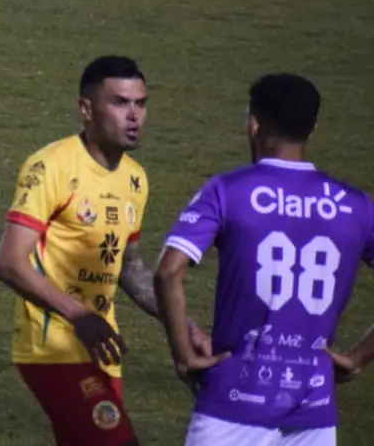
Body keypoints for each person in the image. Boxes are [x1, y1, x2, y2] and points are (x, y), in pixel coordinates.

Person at [0, 56, 210, 446]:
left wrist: (184, 324)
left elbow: (130, 268)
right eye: (120, 103)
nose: (134, 116)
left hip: (101, 351)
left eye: (140, 103)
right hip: (52, 350)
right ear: (86, 109)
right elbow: (9, 262)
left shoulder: (134, 179)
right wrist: (79, 316)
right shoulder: (51, 167)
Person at [155, 73, 374, 446]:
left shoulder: (228, 191)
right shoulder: (356, 205)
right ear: (313, 128)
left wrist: (184, 356)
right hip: (313, 410)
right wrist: (356, 359)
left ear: (253, 125)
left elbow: (167, 272)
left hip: (233, 405)